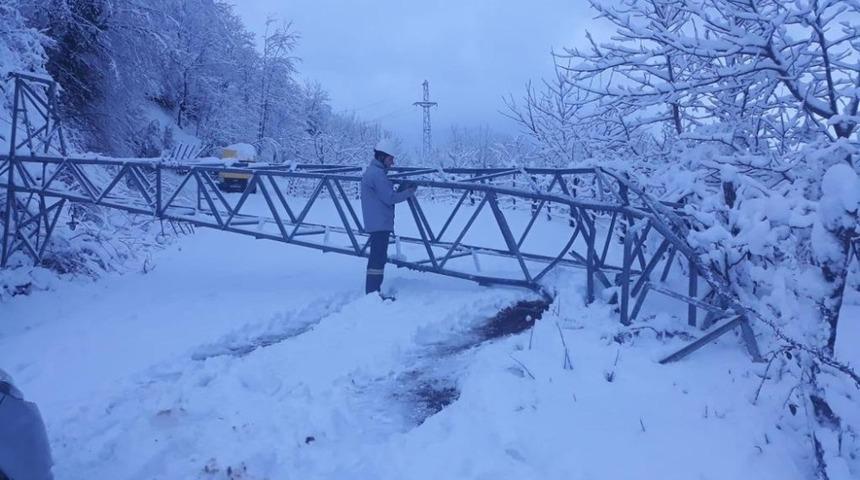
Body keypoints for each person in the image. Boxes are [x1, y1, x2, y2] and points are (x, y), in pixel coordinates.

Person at [360, 138, 417, 296]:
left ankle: (372, 292)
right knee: (377, 259)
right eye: (390, 159)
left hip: (376, 222)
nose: (392, 163)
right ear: (381, 158)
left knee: (376, 258)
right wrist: (409, 192)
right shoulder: (377, 175)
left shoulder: (374, 172)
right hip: (379, 223)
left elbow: (384, 194)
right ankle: (372, 293)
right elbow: (390, 197)